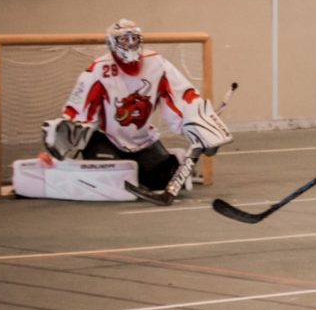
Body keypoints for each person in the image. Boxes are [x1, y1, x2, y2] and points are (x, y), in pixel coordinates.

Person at [15, 19, 231, 201]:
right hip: (106, 139)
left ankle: (167, 160)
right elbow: (78, 110)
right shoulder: (98, 70)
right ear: (111, 42)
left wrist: (200, 121)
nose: (130, 44)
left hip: (142, 139)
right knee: (116, 180)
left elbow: (182, 95)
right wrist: (58, 147)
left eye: (134, 38)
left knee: (163, 179)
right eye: (123, 39)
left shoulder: (157, 64)